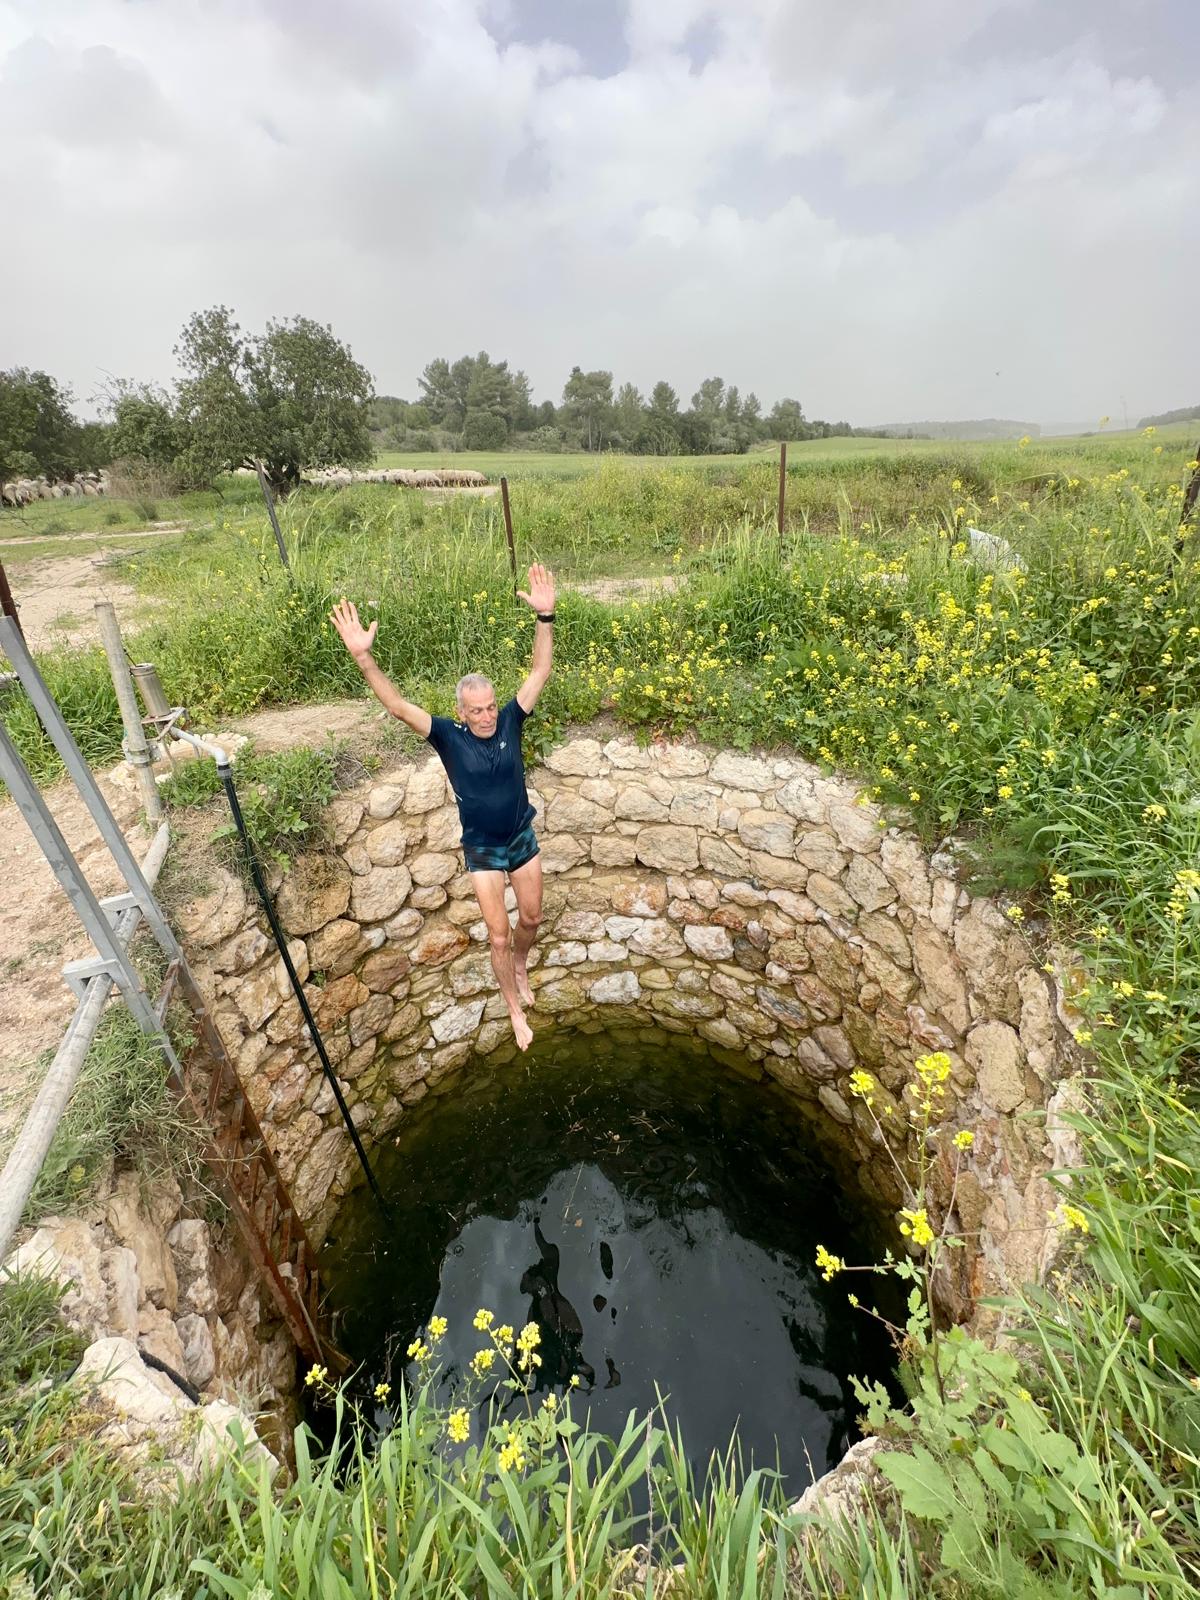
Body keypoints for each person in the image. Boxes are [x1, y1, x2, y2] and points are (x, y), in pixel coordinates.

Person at [329, 564, 556, 1051]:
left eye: (490, 706)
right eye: (477, 710)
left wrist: (545, 617)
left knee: (532, 920)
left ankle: (522, 962)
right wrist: (364, 658)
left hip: (521, 836)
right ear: (461, 713)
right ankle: (513, 1006)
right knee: (498, 935)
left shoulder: (511, 719)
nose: (487, 716)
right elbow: (397, 707)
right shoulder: (448, 736)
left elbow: (540, 671)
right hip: (483, 850)